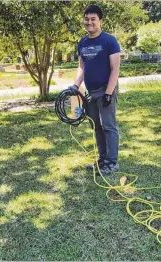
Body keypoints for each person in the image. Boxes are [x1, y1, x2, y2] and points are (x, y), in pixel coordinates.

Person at [68, 4, 121, 175]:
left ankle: (112, 163)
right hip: (90, 92)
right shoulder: (82, 43)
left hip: (106, 89)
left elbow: (115, 69)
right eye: (87, 19)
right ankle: (102, 159)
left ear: (100, 21)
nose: (89, 22)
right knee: (96, 126)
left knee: (108, 126)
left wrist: (108, 93)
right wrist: (76, 86)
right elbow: (82, 67)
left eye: (93, 19)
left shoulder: (109, 41)